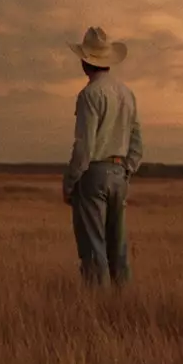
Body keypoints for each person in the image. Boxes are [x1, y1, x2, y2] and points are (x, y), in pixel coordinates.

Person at [62, 26, 144, 286]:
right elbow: (137, 143)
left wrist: (71, 181)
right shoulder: (127, 94)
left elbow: (84, 146)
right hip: (120, 173)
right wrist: (125, 171)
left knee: (93, 249)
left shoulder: (89, 95)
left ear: (85, 61)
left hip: (94, 174)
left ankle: (97, 306)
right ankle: (123, 305)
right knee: (117, 248)